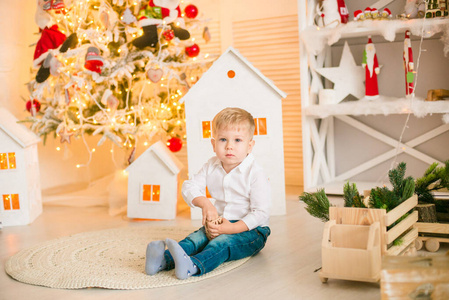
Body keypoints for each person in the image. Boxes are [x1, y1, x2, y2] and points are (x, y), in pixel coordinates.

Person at [145, 107, 271, 279]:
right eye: (223, 139)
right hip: (219, 223)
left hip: (252, 231)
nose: (229, 146)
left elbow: (261, 213)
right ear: (213, 144)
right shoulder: (211, 166)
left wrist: (232, 228)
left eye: (238, 140)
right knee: (196, 238)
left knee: (221, 243)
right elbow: (189, 186)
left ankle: (193, 266)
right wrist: (205, 203)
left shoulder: (255, 173)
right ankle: (163, 261)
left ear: (250, 146)